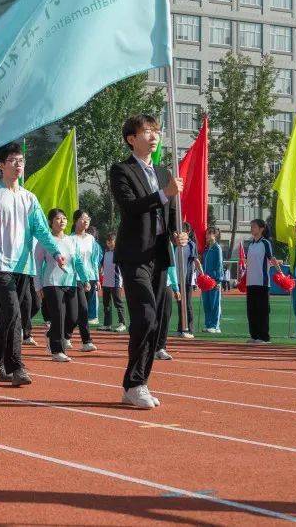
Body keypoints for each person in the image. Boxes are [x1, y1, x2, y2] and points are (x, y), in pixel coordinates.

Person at [0, 142, 66, 387]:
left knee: (9, 317)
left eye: (21, 160)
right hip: (0, 264)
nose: (18, 164)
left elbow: (42, 231)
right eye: (13, 160)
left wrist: (56, 253)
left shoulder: (29, 198)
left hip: (24, 266)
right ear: (1, 165)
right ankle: (17, 367)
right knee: (12, 312)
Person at [110, 114, 187, 409]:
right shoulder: (122, 171)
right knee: (145, 316)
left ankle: (138, 382)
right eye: (146, 131)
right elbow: (131, 207)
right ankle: (135, 384)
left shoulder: (165, 172)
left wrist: (177, 234)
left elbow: (169, 215)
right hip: (134, 255)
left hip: (158, 255)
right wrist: (164, 194)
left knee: (157, 321)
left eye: (156, 130)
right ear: (132, 138)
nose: (153, 136)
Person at [35, 208, 75, 362]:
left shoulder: (71, 240)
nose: (62, 221)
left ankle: (52, 334)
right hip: (51, 282)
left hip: (70, 282)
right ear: (51, 222)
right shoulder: (45, 240)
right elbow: (37, 264)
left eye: (64, 218)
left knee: (73, 316)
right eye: (58, 218)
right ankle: (57, 350)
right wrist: (38, 285)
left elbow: (75, 261)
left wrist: (83, 279)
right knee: (58, 315)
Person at [65, 209, 98, 352]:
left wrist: (96, 279)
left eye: (88, 219)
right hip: (75, 278)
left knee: (81, 312)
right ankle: (86, 341)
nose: (86, 221)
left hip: (90, 278)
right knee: (82, 310)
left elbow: (94, 260)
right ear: (75, 221)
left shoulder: (91, 239)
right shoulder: (70, 239)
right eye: (83, 219)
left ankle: (64, 336)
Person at [244, 219, 281, 345]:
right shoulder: (251, 244)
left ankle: (264, 337)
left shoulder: (265, 243)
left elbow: (272, 259)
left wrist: (280, 273)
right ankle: (254, 335)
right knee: (251, 310)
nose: (252, 228)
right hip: (251, 282)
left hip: (262, 282)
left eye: (254, 226)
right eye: (251, 226)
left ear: (261, 229)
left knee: (262, 310)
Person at [99, 233, 126, 332]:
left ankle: (122, 323)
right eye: (108, 241)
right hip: (106, 282)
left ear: (116, 242)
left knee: (118, 303)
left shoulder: (118, 253)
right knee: (106, 304)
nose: (110, 243)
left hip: (116, 282)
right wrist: (101, 269)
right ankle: (107, 324)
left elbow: (123, 267)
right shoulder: (106, 252)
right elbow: (102, 264)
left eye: (112, 241)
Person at [175, 224, 198, 338]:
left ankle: (189, 329)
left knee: (187, 304)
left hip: (187, 279)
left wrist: (200, 275)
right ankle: (180, 328)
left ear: (188, 232)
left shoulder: (191, 245)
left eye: (183, 230)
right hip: (178, 278)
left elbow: (195, 260)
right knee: (180, 304)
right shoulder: (176, 245)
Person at [201, 227, 224, 333]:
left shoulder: (217, 248)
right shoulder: (206, 249)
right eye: (206, 233)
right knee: (207, 303)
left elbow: (219, 265)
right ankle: (208, 324)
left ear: (215, 235)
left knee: (214, 303)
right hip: (205, 281)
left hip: (214, 281)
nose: (207, 235)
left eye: (209, 233)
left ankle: (215, 326)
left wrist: (218, 280)